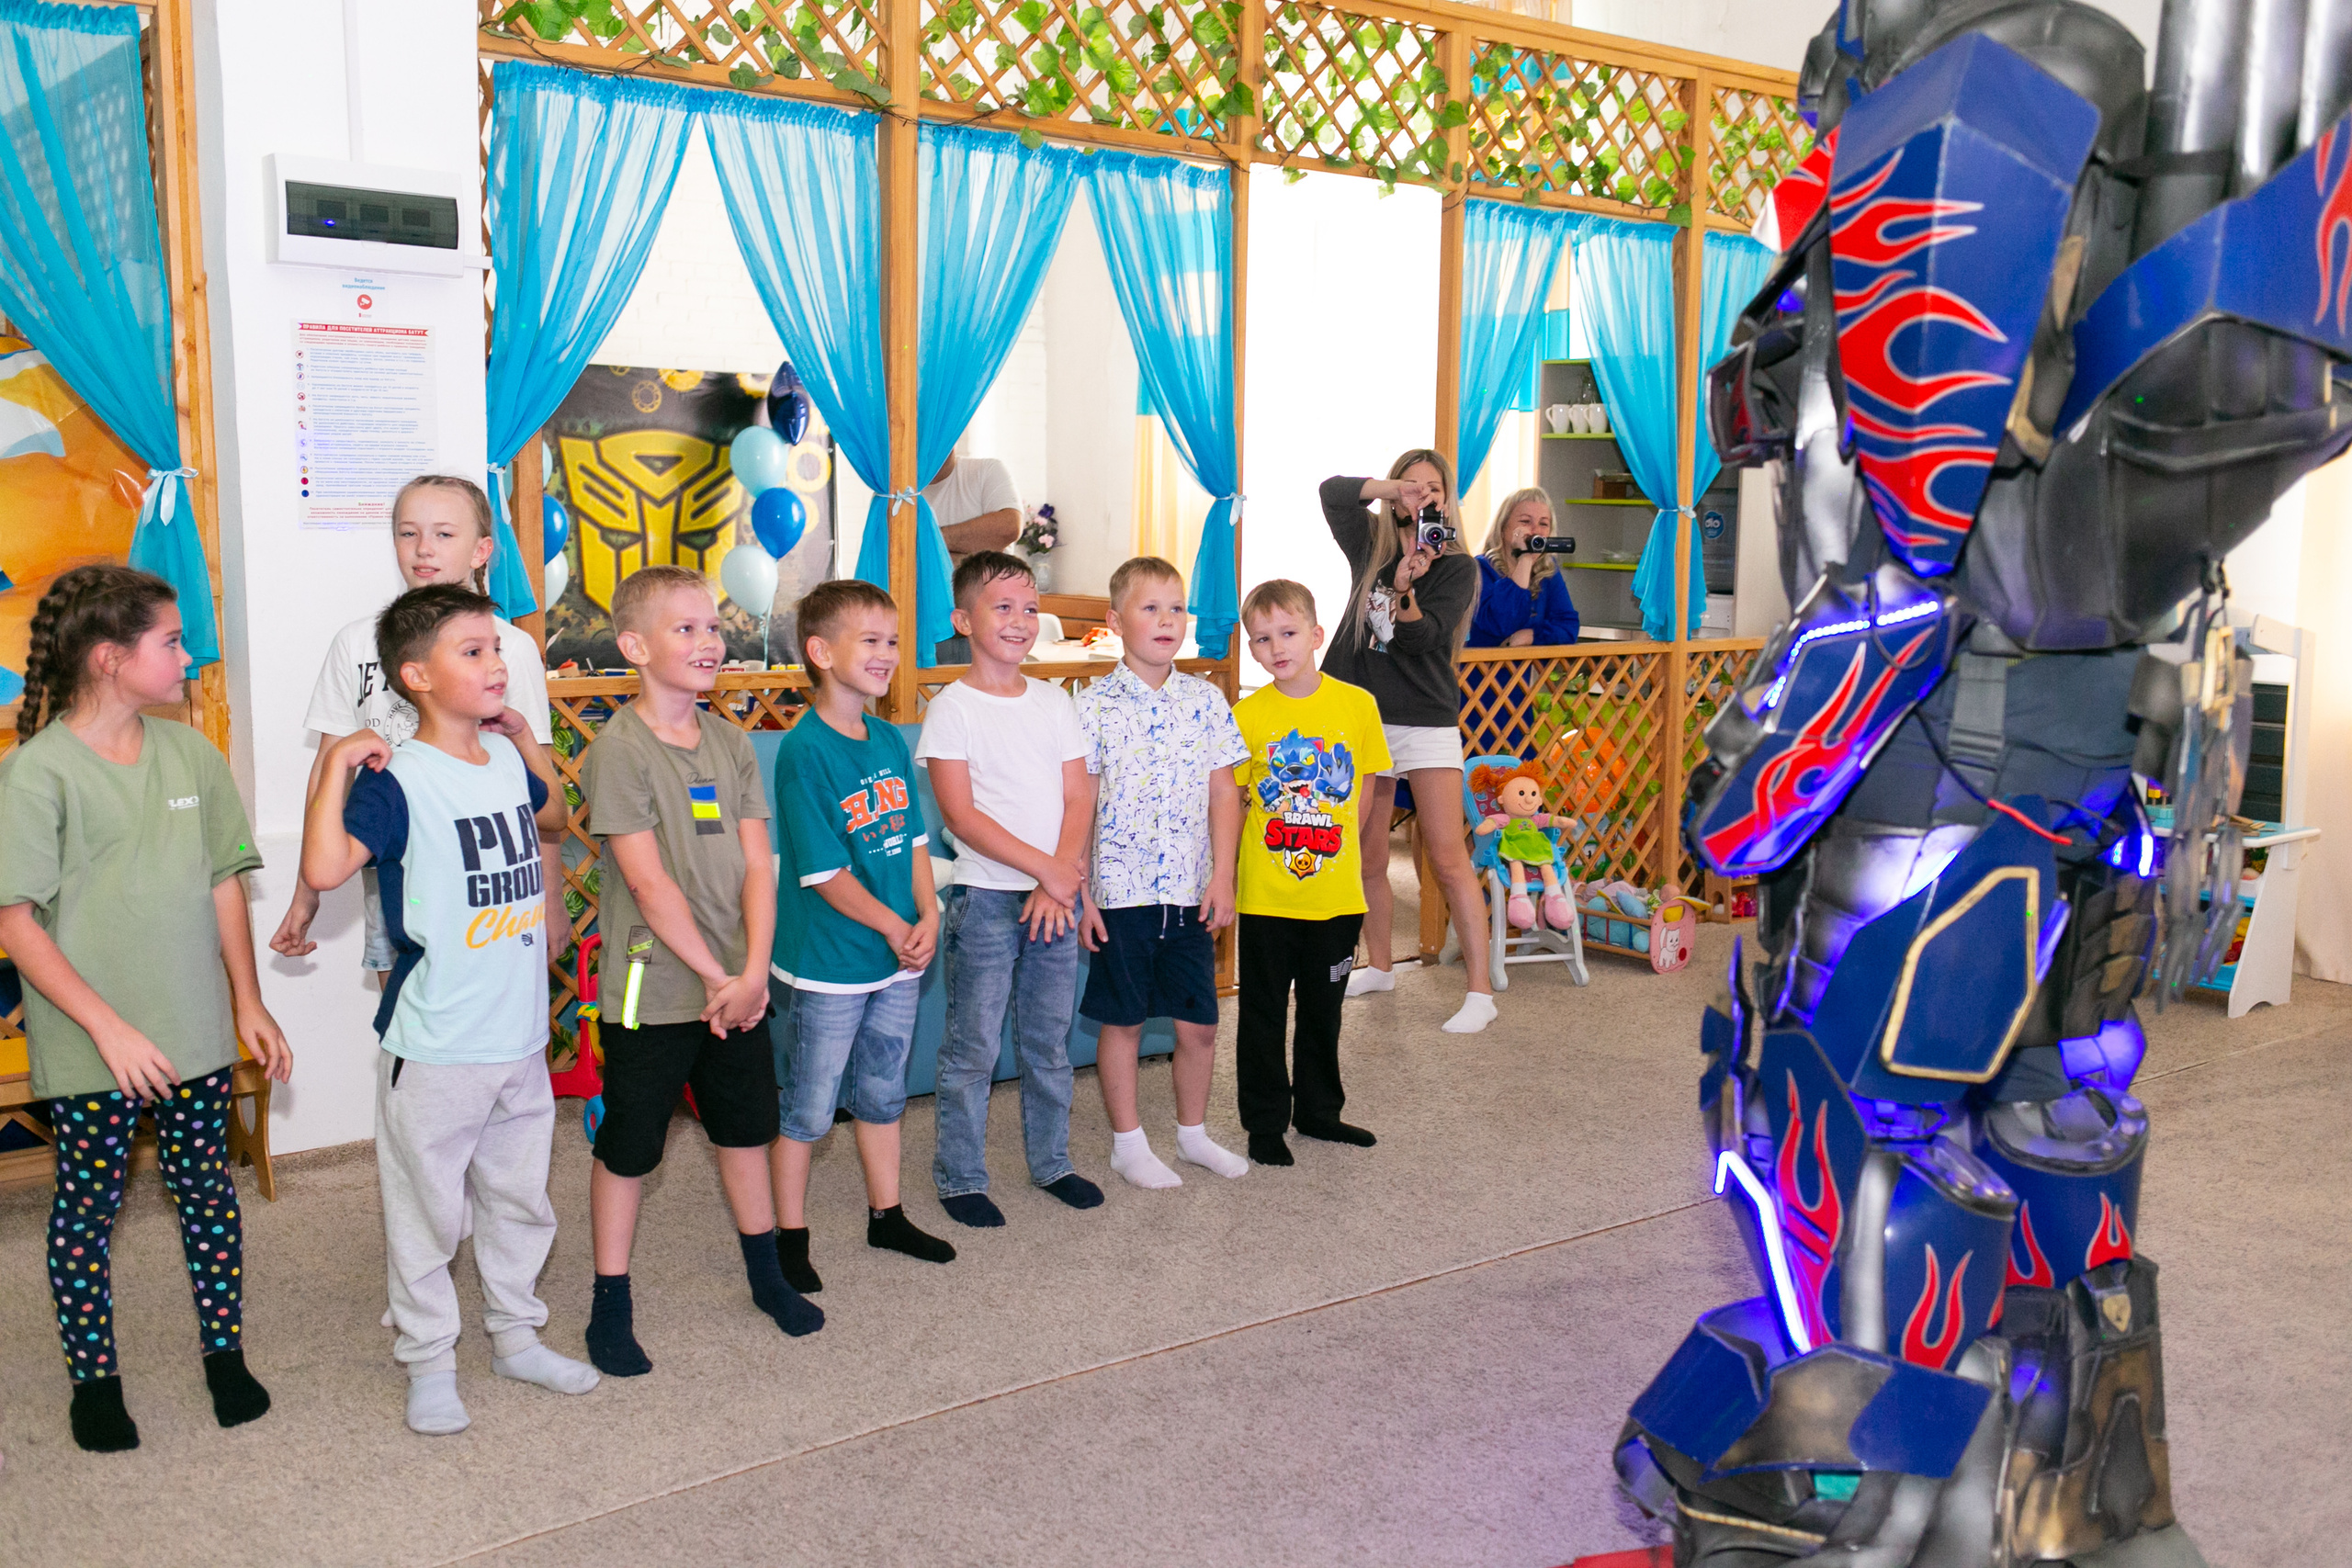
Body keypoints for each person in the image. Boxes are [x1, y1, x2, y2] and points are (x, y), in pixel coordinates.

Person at [0, 565, 293, 1454]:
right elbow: (16, 924)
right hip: (94, 1044)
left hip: (194, 1035)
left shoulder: (192, 755)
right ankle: (95, 1384)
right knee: (87, 1209)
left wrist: (248, 1001)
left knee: (207, 1192)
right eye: (171, 640)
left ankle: (224, 1356)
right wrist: (110, 1028)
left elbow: (223, 883)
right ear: (109, 658)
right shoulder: (36, 774)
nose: (189, 655)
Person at [300, 583, 597, 1436]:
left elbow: (555, 815)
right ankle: (429, 1358)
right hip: (435, 1044)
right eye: (473, 651)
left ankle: (515, 1335)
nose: (496, 663)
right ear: (417, 675)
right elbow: (324, 869)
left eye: (496, 648)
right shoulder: (397, 778)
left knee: (519, 1198)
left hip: (518, 1037)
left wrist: (528, 744)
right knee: (426, 1210)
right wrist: (336, 764)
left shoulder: (501, 757)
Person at [577, 565, 822, 1379]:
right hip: (654, 986)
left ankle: (766, 1275)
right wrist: (721, 976)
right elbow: (649, 885)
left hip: (736, 987)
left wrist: (751, 973)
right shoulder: (619, 751)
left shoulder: (730, 741)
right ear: (635, 647)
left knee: (744, 1130)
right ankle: (609, 1301)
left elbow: (759, 867)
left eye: (712, 625)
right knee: (630, 1147)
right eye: (684, 628)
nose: (708, 640)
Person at [270, 474, 553, 972]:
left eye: (444, 534)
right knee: (405, 1002)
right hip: (393, 872)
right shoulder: (356, 642)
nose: (424, 548)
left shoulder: (511, 648)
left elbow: (540, 787)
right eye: (408, 533)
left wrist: (550, 901)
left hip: (490, 877)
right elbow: (329, 769)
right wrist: (305, 892)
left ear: (481, 550)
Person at [768, 578, 958, 1289]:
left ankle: (888, 1214)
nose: (888, 653)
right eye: (870, 640)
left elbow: (914, 841)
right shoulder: (804, 752)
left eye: (893, 640)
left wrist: (929, 914)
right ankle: (788, 1235)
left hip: (898, 955)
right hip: (831, 963)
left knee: (883, 1091)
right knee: (810, 1105)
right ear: (821, 652)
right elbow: (825, 874)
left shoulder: (886, 738)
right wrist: (897, 924)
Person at [916, 550, 1104, 1225]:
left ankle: (1053, 1162)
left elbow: (1079, 797)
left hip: (1054, 901)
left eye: (1030, 608)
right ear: (964, 620)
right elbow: (962, 816)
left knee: (1049, 1042)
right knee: (973, 1047)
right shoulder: (951, 709)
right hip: (987, 900)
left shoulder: (1055, 701)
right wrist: (1045, 870)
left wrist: (1059, 877)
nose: (1021, 620)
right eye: (1003, 607)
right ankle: (961, 1176)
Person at [1074, 557, 1251, 1189]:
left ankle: (1193, 1134)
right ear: (1116, 621)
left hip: (1189, 892)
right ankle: (1127, 1144)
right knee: (1122, 1020)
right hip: (1120, 897)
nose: (1166, 619)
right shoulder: (1091, 707)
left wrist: (1223, 876)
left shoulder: (1206, 701)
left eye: (1176, 608)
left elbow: (1225, 794)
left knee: (1199, 1023)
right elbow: (1080, 804)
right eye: (1150, 608)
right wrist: (1081, 892)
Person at [1317, 451, 1496, 1033]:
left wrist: (1406, 588)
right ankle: (1381, 966)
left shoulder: (1457, 565)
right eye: (1410, 485)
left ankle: (1480, 992)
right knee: (1368, 854)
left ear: (1448, 498)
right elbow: (1332, 491)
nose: (1422, 495)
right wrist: (1390, 489)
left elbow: (1421, 640)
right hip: (1361, 715)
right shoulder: (1370, 543)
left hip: (1424, 716)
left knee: (1446, 855)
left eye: (1432, 488)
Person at [1229, 580, 1391, 1166]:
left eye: (1288, 633)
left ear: (1316, 635)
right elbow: (1235, 799)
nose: (1277, 647)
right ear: (1252, 649)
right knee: (1263, 1013)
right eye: (1262, 639)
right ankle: (1265, 1123)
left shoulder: (1357, 705)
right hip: (1266, 898)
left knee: (1324, 1010)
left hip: (1335, 897)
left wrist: (1340, 849)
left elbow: (1366, 788)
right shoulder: (1246, 716)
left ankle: (1320, 1112)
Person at [923, 449, 1023, 663]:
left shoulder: (986, 471)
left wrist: (930, 544)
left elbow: (1009, 527)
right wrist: (973, 552)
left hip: (990, 628)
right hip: (925, 631)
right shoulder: (895, 492)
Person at [1467, 488, 1579, 649]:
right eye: (1525, 522)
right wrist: (1525, 558)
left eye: (1543, 524)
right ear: (1503, 527)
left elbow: (1568, 627)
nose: (1535, 531)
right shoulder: (1478, 569)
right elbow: (1503, 624)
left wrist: (1532, 636)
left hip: (1529, 666)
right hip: (1484, 664)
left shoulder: (1548, 571)